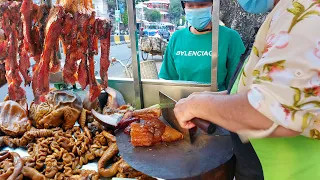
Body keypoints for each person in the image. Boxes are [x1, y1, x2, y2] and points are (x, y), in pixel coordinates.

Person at [174, 0, 320, 180]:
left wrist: (199, 105)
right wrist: (212, 99)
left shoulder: (307, 11)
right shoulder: (284, 12)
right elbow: (262, 88)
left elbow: (273, 111)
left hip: (293, 172)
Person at [159, 0, 245, 92]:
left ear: (213, 6)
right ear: (184, 7)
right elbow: (167, 81)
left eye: (202, 5)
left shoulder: (230, 37)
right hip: (182, 103)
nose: (196, 9)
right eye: (190, 5)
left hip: (217, 104)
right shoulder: (177, 38)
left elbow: (236, 85)